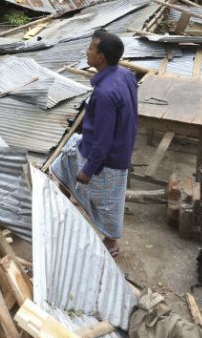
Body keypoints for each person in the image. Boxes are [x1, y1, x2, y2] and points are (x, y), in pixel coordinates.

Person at [50, 29, 138, 258]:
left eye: (90, 48)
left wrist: (88, 170)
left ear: (100, 57)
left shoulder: (106, 93)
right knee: (63, 162)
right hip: (97, 144)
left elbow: (104, 140)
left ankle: (111, 244)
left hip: (107, 157)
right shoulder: (125, 74)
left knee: (108, 204)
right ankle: (63, 210)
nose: (86, 51)